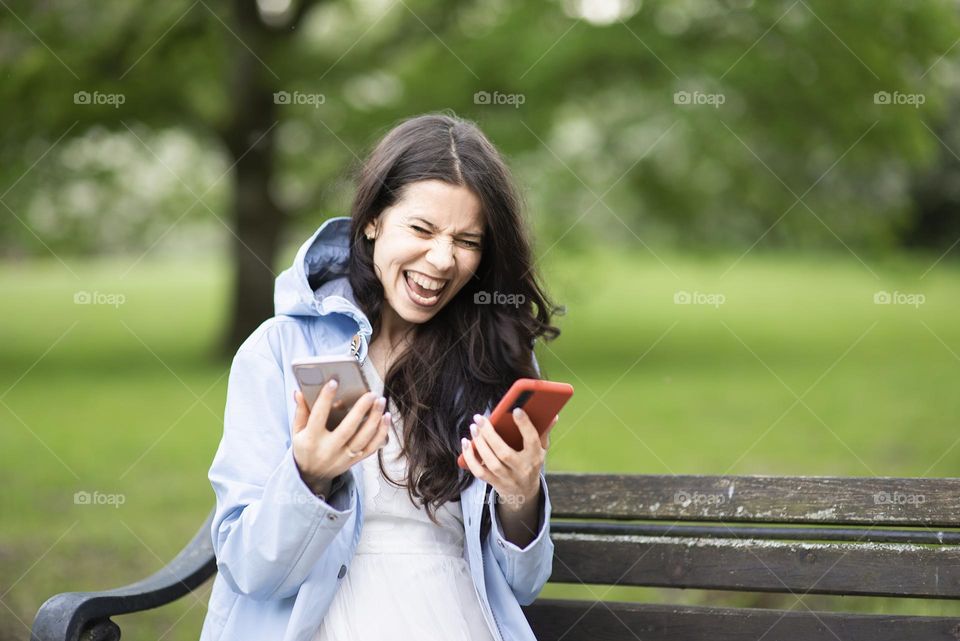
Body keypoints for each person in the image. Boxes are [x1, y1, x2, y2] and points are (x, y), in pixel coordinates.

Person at [200, 112, 563, 641]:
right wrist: (309, 478)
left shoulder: (498, 359)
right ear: (372, 220)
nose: (442, 260)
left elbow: (520, 588)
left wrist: (521, 497)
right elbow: (251, 570)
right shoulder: (279, 349)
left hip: (454, 615)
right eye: (421, 229)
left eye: (468, 240)